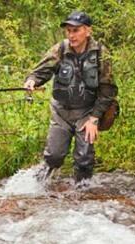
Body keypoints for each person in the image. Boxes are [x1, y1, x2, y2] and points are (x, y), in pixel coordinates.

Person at [24, 11, 118, 183]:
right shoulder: (60, 49)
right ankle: (35, 189)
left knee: (84, 160)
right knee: (54, 156)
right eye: (69, 31)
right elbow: (41, 71)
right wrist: (32, 81)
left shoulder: (101, 54)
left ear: (87, 31)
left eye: (76, 30)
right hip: (61, 112)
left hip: (86, 113)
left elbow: (108, 89)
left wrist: (95, 118)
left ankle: (82, 196)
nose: (71, 35)